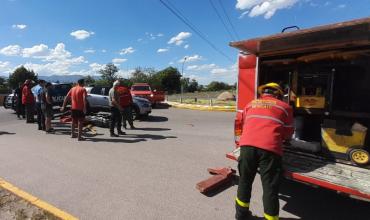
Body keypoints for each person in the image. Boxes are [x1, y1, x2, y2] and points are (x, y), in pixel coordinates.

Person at [235, 83, 294, 220]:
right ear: (278, 94)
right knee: (270, 189)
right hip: (270, 150)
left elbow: (242, 123)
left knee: (244, 182)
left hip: (246, 147)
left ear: (263, 93)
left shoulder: (250, 104)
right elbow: (288, 133)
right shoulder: (285, 107)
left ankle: (241, 216)